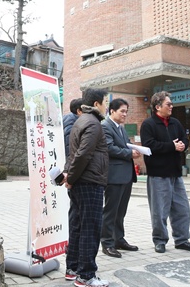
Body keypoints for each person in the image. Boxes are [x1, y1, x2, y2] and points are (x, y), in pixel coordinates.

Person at [139, 91, 190, 254]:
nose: (172, 106)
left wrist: (183, 146)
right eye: (168, 104)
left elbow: (184, 140)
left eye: (171, 104)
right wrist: (171, 146)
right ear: (158, 107)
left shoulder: (175, 123)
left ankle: (182, 239)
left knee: (182, 208)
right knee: (159, 211)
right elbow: (149, 146)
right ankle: (159, 240)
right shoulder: (148, 124)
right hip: (158, 173)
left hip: (176, 173)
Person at [63, 88, 110, 287]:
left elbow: (73, 154)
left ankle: (72, 268)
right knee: (90, 228)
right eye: (106, 101)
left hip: (80, 181)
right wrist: (71, 177)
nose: (107, 105)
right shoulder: (93, 123)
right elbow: (82, 154)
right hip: (89, 182)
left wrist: (69, 176)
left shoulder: (81, 121)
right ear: (97, 103)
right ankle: (86, 275)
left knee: (78, 226)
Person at [100, 98, 141, 258]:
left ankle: (119, 239)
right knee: (110, 211)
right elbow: (109, 148)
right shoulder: (105, 127)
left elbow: (124, 145)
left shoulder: (121, 128)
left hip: (126, 176)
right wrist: (129, 153)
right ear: (112, 111)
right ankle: (107, 243)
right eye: (122, 111)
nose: (125, 114)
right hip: (114, 176)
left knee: (121, 211)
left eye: (126, 111)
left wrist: (135, 150)